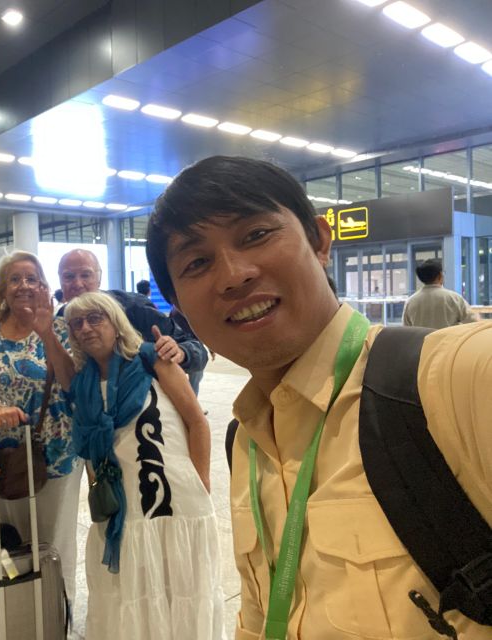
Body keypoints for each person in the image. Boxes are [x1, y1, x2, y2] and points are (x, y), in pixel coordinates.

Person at [145, 155, 492, 639]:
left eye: (256, 234)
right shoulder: (245, 444)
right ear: (180, 306)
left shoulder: (449, 381)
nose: (233, 274)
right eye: (197, 262)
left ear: (319, 239)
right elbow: (260, 619)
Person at [55, 291, 225, 640]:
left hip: (174, 498)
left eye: (95, 319)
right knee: (131, 593)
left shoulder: (151, 359)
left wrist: (201, 479)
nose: (86, 328)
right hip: (122, 507)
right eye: (76, 324)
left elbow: (197, 421)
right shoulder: (83, 382)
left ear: (116, 323)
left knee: (179, 588)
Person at [0, 250, 81, 602]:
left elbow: (71, 382)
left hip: (56, 452)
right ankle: (19, 609)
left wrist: (46, 335)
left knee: (54, 540)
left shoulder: (62, 328)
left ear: (44, 287)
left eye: (32, 278)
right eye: (15, 279)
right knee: (11, 535)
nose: (24, 285)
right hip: (4, 455)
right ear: (2, 290)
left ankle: (57, 613)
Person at [57, 249, 208, 377]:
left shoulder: (133, 307)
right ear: (60, 281)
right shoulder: (59, 321)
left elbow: (197, 349)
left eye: (85, 275)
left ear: (99, 278)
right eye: (69, 276)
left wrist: (180, 352)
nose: (77, 284)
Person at [403, 258, 477, 329]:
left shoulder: (410, 302)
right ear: (440, 275)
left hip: (422, 342)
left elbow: (406, 330)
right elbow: (474, 322)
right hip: (449, 341)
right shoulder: (454, 298)